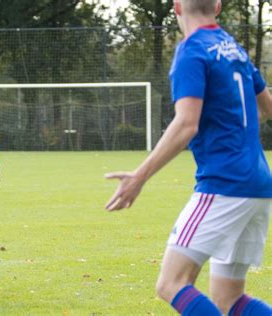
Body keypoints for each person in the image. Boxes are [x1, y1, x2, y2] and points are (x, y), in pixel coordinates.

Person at [105, 0, 272, 315]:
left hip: (224, 185)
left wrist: (138, 177)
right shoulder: (235, 49)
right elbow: (267, 109)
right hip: (258, 185)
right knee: (230, 299)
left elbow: (186, 123)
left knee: (171, 283)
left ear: (176, 7)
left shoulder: (192, 51)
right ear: (218, 7)